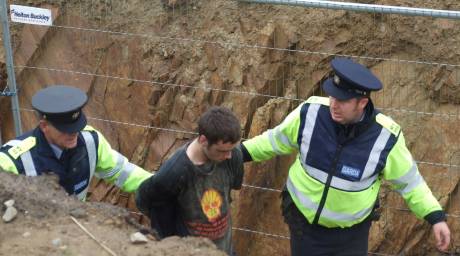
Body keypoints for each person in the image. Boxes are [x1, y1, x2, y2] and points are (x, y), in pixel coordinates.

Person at [240, 57, 451, 255]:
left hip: (350, 238)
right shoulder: (310, 112)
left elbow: (410, 184)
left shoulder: (386, 137)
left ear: (362, 103)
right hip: (303, 226)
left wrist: (435, 217)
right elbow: (273, 141)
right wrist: (239, 153)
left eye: (342, 100)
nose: (333, 104)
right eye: (332, 95)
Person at [0, 85, 153, 200]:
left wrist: (157, 184)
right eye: (65, 129)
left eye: (76, 127)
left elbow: (122, 172)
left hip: (79, 233)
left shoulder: (91, 141)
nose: (73, 133)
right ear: (44, 126)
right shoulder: (12, 161)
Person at [136, 106, 243, 255]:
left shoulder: (233, 156)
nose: (228, 156)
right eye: (222, 151)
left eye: (231, 150)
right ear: (203, 140)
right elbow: (147, 203)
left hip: (224, 251)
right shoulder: (174, 173)